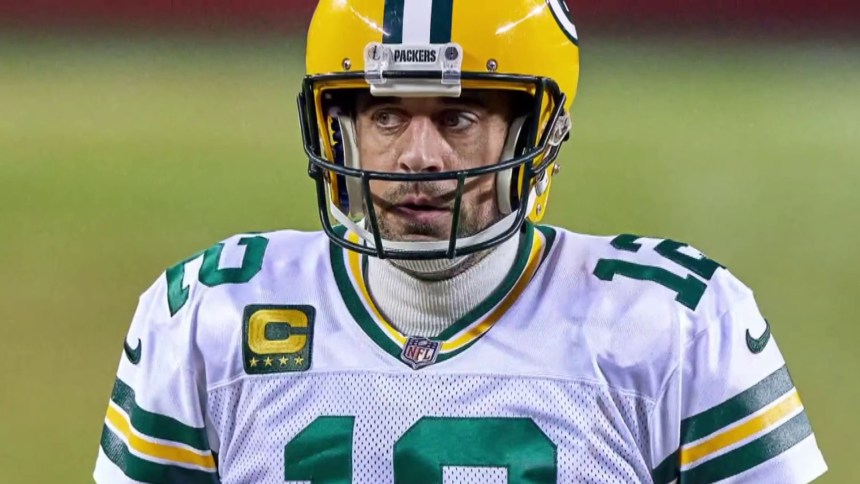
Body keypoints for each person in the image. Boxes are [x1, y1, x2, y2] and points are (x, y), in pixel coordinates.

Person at [94, 0, 828, 482]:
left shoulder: (678, 327)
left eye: (459, 118)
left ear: (535, 133)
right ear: (338, 127)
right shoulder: (205, 316)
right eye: (386, 117)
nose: (419, 156)